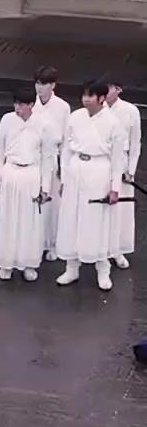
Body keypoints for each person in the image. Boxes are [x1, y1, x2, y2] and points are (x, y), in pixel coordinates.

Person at [56, 82, 123, 292]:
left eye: (91, 96)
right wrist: (64, 178)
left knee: (97, 221)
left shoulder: (113, 122)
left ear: (102, 98)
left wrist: (115, 187)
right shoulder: (75, 117)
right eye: (84, 95)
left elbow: (117, 158)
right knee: (72, 218)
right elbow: (66, 149)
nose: (86, 99)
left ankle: (103, 269)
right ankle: (71, 267)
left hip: (99, 170)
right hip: (76, 168)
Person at [0, 89, 50, 283]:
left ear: (31, 105)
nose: (17, 108)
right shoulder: (7, 120)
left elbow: (47, 158)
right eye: (15, 104)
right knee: (7, 218)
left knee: (29, 221)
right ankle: (6, 263)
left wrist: (45, 187)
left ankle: (28, 263)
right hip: (10, 172)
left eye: (21, 104)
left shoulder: (42, 124)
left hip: (31, 174)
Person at [33, 67, 71, 262]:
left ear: (53, 85)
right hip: (33, 159)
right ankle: (34, 243)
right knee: (33, 203)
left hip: (53, 159)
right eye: (38, 83)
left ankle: (52, 244)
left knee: (52, 205)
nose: (40, 88)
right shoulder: (30, 104)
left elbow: (66, 141)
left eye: (44, 83)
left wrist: (64, 169)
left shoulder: (62, 107)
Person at [106, 80, 141, 269]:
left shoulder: (130, 111)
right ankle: (100, 248)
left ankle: (118, 250)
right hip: (103, 161)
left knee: (121, 209)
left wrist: (131, 170)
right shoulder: (97, 108)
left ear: (118, 90)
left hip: (122, 161)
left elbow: (135, 143)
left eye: (110, 87)